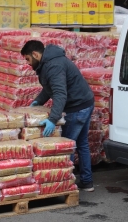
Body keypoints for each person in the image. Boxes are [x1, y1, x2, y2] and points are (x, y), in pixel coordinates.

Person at [21, 40, 95, 192]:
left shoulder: (53, 65)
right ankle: (87, 181)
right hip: (85, 102)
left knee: (65, 147)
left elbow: (60, 93)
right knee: (81, 144)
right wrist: (38, 102)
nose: (28, 63)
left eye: (28, 59)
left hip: (77, 107)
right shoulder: (49, 62)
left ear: (35, 54)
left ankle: (64, 185)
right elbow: (50, 87)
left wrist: (52, 119)